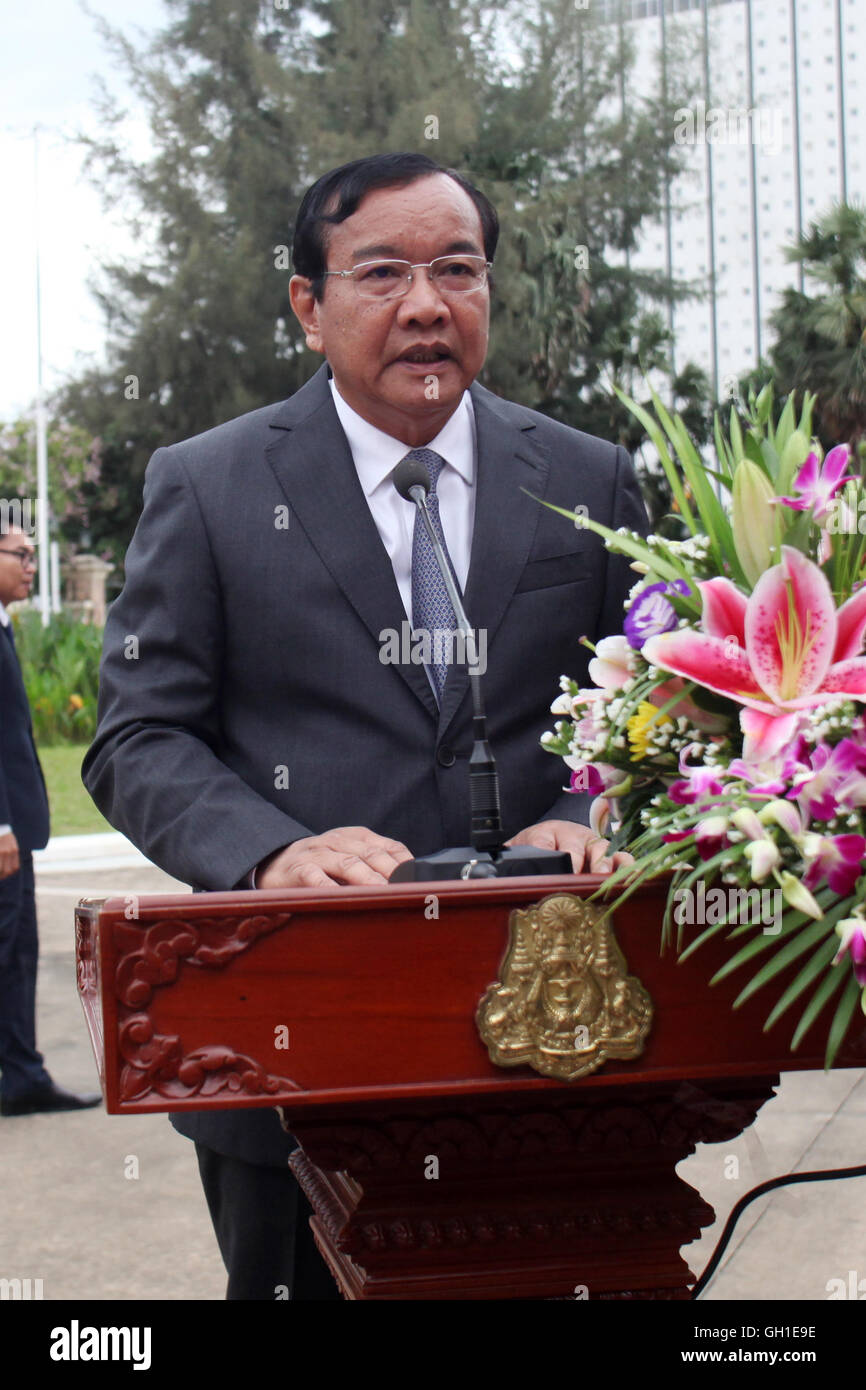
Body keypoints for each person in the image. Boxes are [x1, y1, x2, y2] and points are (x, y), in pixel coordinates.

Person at [82, 151, 649, 1297]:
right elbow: (138, 736)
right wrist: (273, 849)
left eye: (457, 269)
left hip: (564, 1041)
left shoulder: (586, 479)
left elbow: (657, 708)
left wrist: (586, 807)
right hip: (294, 1045)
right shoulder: (211, 484)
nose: (427, 304)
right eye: (381, 274)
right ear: (308, 304)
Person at [0, 526, 101, 1116]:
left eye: (34, 557)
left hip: (17, 830)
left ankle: (21, 1074)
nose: (31, 567)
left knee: (17, 953)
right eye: (20, 555)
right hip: (5, 834)